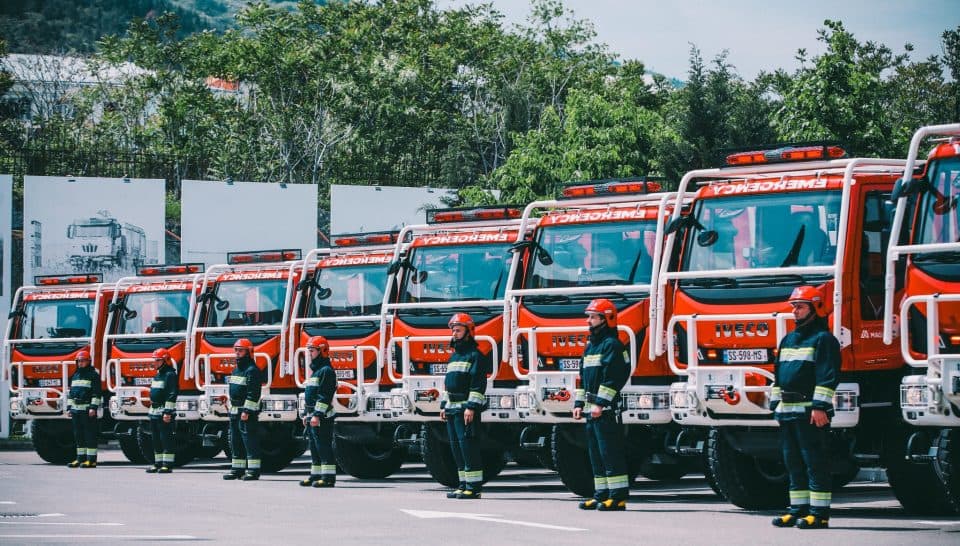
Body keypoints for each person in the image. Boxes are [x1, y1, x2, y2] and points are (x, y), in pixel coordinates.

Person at [769, 286, 841, 530]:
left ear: (816, 308)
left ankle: (819, 514)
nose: (794, 312)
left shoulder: (824, 340)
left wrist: (820, 406)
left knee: (814, 461)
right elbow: (778, 374)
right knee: (793, 462)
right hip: (787, 411)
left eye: (800, 307)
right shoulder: (788, 339)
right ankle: (797, 510)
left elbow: (827, 376)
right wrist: (775, 404)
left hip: (810, 412)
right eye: (793, 307)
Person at [573, 298, 630, 511]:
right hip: (591, 410)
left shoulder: (612, 346)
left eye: (593, 317)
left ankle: (617, 497)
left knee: (610, 453)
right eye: (589, 317)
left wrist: (601, 403)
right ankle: (601, 494)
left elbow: (614, 377)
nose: (589, 321)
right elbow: (583, 378)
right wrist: (579, 402)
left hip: (605, 411)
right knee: (595, 454)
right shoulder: (591, 346)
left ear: (606, 319)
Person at [440, 312, 487, 499]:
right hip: (452, 409)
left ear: (469, 332)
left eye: (458, 330)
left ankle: (474, 487)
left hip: (465, 411)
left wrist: (471, 407)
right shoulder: (454, 357)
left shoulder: (475, 356)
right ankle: (462, 484)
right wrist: (444, 405)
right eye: (453, 331)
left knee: (468, 447)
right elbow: (448, 383)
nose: (454, 334)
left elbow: (477, 385)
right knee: (456, 448)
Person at [223, 338, 265, 481]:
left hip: (246, 412)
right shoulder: (236, 370)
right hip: (235, 410)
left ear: (248, 352)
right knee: (235, 441)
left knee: (249, 440)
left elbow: (253, 393)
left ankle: (253, 470)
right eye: (236, 350)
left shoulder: (252, 370)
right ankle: (237, 469)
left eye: (240, 351)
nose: (237, 353)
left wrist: (247, 411)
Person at [299, 336, 338, 488]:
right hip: (312, 415)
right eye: (309, 350)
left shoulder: (326, 371)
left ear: (322, 351)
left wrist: (317, 415)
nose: (310, 353)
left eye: (313, 350)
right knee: (314, 447)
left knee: (323, 446)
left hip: (322, 417)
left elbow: (324, 396)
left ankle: (328, 478)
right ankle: (315, 475)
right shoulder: (316, 371)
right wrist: (306, 414)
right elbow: (310, 395)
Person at [66, 350, 101, 468]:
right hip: (75, 410)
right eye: (79, 361)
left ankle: (91, 460)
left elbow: (97, 394)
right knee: (78, 435)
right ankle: (80, 459)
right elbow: (71, 393)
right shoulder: (75, 375)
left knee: (89, 435)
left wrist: (93, 408)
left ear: (88, 361)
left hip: (87, 410)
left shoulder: (93, 375)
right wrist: (69, 408)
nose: (80, 363)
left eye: (83, 361)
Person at [146, 348, 178, 474]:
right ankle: (157, 463)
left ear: (165, 361)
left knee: (166, 438)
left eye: (158, 360)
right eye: (154, 360)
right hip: (154, 411)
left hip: (164, 412)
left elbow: (172, 394)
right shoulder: (158, 375)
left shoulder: (170, 375)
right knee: (155, 439)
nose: (155, 363)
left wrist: (167, 412)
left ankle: (167, 464)